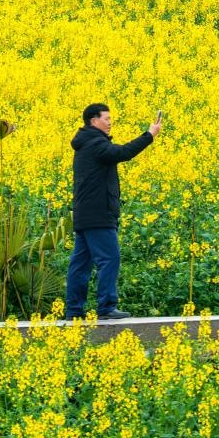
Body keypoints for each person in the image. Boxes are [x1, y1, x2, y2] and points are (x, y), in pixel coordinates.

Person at [65, 103, 162, 320]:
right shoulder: (95, 144)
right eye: (106, 119)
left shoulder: (85, 143)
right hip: (98, 214)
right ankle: (107, 307)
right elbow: (123, 152)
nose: (110, 123)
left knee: (81, 264)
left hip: (86, 214)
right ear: (94, 121)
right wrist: (149, 135)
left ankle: (74, 311)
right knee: (110, 258)